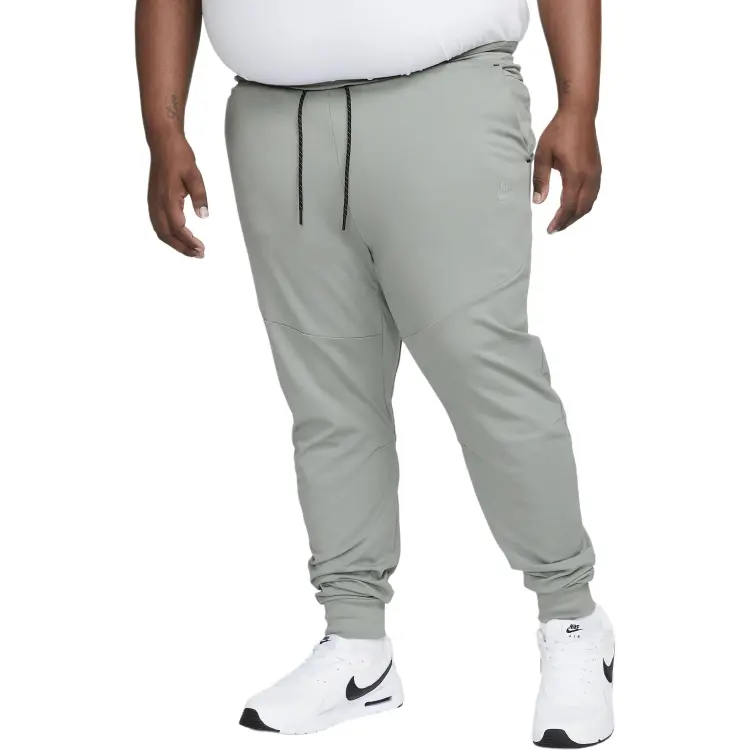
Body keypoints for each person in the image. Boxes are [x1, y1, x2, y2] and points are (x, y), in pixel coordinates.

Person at [136, 1, 615, 745]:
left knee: (485, 375)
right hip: (274, 122)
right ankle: (357, 644)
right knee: (328, 398)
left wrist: (578, 104)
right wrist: (163, 131)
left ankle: (572, 617)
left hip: (447, 98)